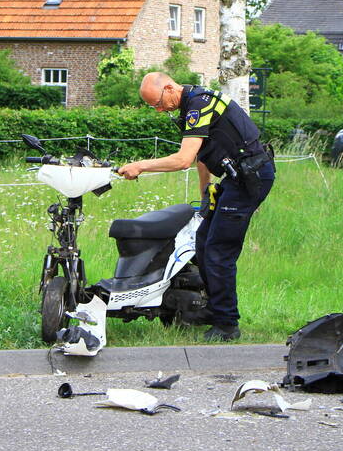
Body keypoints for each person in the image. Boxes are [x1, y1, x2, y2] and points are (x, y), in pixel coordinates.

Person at [116, 72, 275, 341]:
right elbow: (203, 156)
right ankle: (214, 309)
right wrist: (206, 194)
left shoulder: (199, 104)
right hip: (235, 178)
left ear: (169, 87)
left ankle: (227, 324)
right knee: (203, 242)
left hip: (251, 177)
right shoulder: (190, 105)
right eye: (153, 106)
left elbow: (183, 159)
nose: (158, 109)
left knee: (219, 250)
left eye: (158, 103)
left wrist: (141, 165)